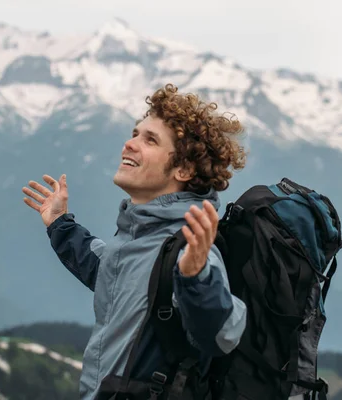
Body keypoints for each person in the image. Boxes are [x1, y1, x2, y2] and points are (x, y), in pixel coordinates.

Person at [22, 83, 248, 399]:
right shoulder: (140, 236)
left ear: (182, 168)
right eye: (135, 133)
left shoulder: (190, 246)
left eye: (149, 140)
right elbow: (105, 267)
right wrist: (60, 224)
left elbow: (223, 333)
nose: (129, 144)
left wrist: (196, 277)